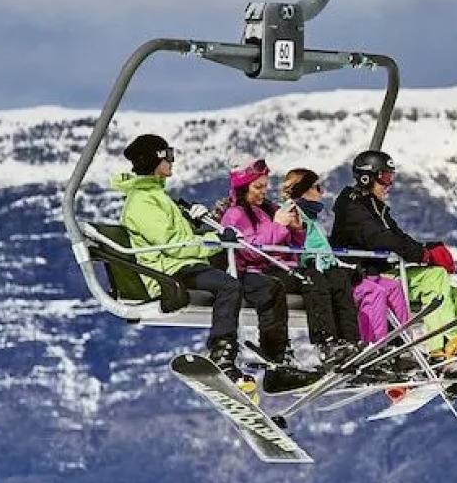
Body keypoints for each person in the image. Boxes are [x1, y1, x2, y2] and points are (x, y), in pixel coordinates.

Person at [112, 134, 316, 394]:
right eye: (169, 155)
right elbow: (172, 242)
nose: (173, 160)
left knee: (252, 286)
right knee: (229, 286)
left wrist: (202, 227)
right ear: (155, 160)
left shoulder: (156, 195)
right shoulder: (143, 201)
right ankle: (223, 354)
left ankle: (271, 362)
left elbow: (181, 239)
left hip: (185, 264)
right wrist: (216, 238)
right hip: (167, 270)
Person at [330, 149, 457, 398]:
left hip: (386, 271)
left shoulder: (376, 207)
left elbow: (398, 237)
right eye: (385, 178)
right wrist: (423, 256)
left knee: (454, 295)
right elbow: (381, 238)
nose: (389, 184)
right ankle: (442, 351)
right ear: (367, 178)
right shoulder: (352, 205)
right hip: (369, 275)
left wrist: (426, 249)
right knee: (436, 277)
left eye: (391, 177)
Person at [272, 166, 366, 365]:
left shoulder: (311, 217)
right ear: (304, 189)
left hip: (322, 264)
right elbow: (295, 243)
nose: (321, 191)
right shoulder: (292, 212)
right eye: (317, 187)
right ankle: (326, 342)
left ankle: (350, 340)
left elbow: (322, 247)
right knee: (320, 282)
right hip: (308, 266)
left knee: (340, 280)